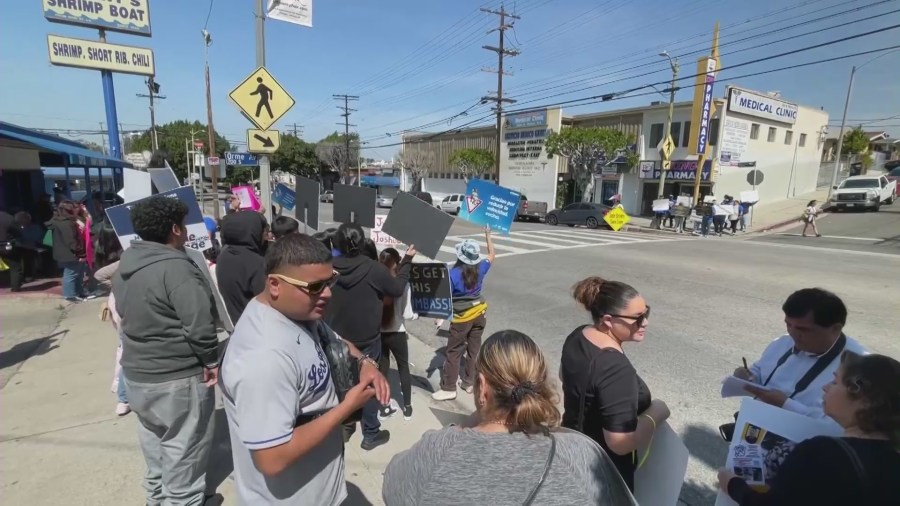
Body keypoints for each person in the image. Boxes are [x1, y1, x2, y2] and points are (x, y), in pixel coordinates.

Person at [221, 233, 390, 505]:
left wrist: (365, 363)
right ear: (275, 284)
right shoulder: (263, 359)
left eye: (330, 281)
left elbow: (334, 339)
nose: (327, 293)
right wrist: (347, 408)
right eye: (315, 287)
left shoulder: (298, 314)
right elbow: (272, 458)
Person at [384, 330, 636, 505]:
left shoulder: (437, 450)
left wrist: (464, 426)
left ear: (482, 387)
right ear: (540, 385)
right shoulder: (581, 453)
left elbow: (392, 488)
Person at [112, 195, 220, 505]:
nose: (186, 232)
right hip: (177, 378)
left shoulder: (125, 265)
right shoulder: (176, 268)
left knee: (156, 446)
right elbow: (199, 324)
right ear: (175, 228)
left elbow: (122, 310)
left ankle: (157, 499)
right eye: (184, 226)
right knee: (185, 452)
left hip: (136, 376)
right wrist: (210, 360)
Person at [718, 352, 900, 505]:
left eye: (835, 382)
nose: (825, 387)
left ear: (863, 399)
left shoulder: (821, 452)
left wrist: (733, 485)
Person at [559, 276, 671, 491]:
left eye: (646, 312)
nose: (645, 322)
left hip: (571, 449)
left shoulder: (579, 335)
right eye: (637, 318)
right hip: (603, 474)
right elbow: (621, 444)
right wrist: (657, 413)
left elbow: (566, 376)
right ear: (609, 321)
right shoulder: (615, 368)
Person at [719, 288, 867, 440]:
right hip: (756, 434)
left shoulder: (858, 367)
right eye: (788, 324)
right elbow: (760, 371)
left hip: (805, 447)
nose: (792, 333)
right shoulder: (783, 342)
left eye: (803, 329)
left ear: (835, 328)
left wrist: (785, 404)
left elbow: (840, 427)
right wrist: (746, 375)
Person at [324, 223, 415, 450]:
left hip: (337, 339)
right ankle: (371, 433)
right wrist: (407, 261)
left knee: (341, 382)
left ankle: (344, 425)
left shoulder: (328, 268)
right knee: (370, 385)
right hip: (368, 341)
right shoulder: (374, 269)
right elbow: (396, 288)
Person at [433, 227, 496, 401]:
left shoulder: (452, 275)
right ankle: (469, 383)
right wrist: (488, 235)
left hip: (462, 319)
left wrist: (439, 317)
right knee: (473, 350)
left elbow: (446, 299)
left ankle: (449, 387)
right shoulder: (481, 268)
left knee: (453, 352)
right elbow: (492, 255)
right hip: (480, 315)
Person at [377, 247, 418, 420]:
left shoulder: (375, 280)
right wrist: (416, 314)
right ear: (397, 263)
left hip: (380, 333)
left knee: (383, 369)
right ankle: (407, 407)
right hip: (397, 333)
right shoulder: (403, 284)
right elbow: (407, 314)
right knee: (403, 368)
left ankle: (383, 406)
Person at [216, 210, 270, 325]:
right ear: (253, 231)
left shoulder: (225, 254)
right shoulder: (255, 262)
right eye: (263, 230)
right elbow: (268, 302)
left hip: (237, 321)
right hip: (256, 325)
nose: (265, 235)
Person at [46, 200, 89, 302]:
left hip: (68, 252)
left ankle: (78, 292)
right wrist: (81, 254)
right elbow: (71, 240)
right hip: (70, 253)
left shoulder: (62, 220)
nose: (76, 209)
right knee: (71, 273)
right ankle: (70, 295)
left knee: (78, 273)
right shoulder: (65, 223)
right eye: (74, 207)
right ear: (69, 210)